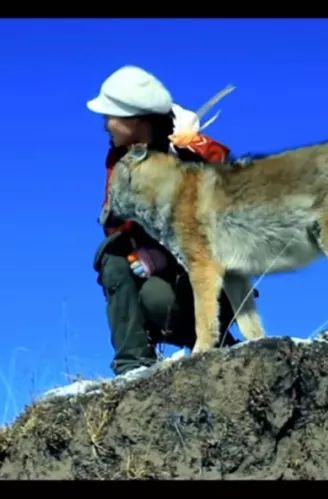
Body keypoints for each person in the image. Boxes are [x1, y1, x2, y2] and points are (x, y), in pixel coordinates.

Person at [87, 65, 247, 375]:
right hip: (154, 265)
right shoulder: (120, 158)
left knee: (156, 302)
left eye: (112, 117)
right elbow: (115, 219)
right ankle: (132, 364)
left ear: (138, 121)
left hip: (205, 276)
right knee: (112, 254)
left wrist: (165, 255)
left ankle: (217, 345)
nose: (106, 125)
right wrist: (142, 246)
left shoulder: (189, 153)